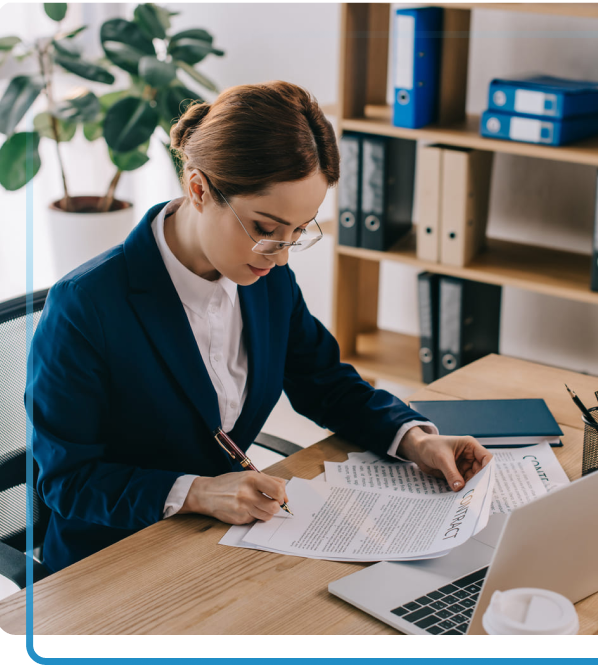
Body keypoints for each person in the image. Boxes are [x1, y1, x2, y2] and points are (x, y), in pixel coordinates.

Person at [26, 80, 492, 574]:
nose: (281, 255)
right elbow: (67, 480)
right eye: (266, 229)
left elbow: (326, 383)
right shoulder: (86, 307)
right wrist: (199, 492)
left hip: (219, 544)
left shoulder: (266, 280)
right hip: (111, 563)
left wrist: (415, 439)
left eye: (298, 231)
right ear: (199, 188)